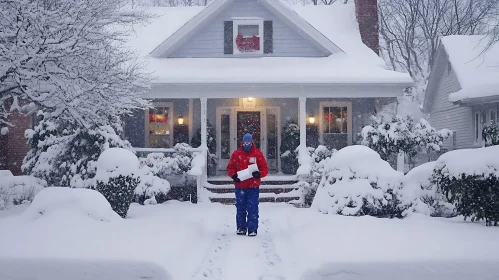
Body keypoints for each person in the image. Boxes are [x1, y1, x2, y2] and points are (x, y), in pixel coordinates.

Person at [227, 133, 268, 237]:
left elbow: (264, 169)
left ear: (252, 142)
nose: (247, 144)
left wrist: (259, 174)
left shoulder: (257, 154)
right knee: (240, 207)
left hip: (253, 186)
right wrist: (234, 175)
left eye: (249, 142)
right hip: (240, 186)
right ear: (242, 142)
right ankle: (241, 228)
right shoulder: (236, 154)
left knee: (252, 207)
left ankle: (252, 229)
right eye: (245, 142)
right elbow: (230, 168)